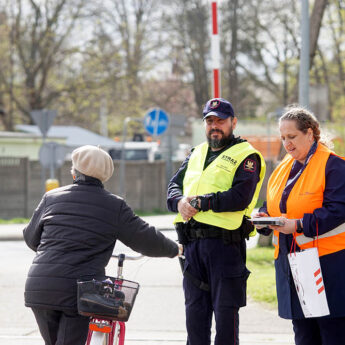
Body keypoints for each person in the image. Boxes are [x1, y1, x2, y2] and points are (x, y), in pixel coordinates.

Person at [23, 145, 183, 345]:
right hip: (78, 292)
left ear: (74, 172)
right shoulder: (114, 205)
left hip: (41, 286)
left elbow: (31, 238)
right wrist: (174, 249)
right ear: (105, 175)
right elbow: (145, 238)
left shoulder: (51, 197)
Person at [167, 98, 266, 345]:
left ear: (233, 122)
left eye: (220, 120)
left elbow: (239, 197)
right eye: (210, 121)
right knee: (195, 317)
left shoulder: (247, 155)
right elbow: (172, 188)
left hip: (225, 247)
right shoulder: (196, 153)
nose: (215, 126)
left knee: (225, 320)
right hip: (192, 247)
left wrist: (199, 202)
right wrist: (180, 202)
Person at [253, 106, 345, 345]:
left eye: (292, 137)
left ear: (310, 133)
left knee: (331, 332)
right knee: (303, 334)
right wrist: (263, 219)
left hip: (327, 265)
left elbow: (338, 210)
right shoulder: (284, 166)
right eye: (283, 138)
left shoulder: (334, 166)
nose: (287, 143)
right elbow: (273, 205)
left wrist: (299, 225)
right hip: (292, 262)